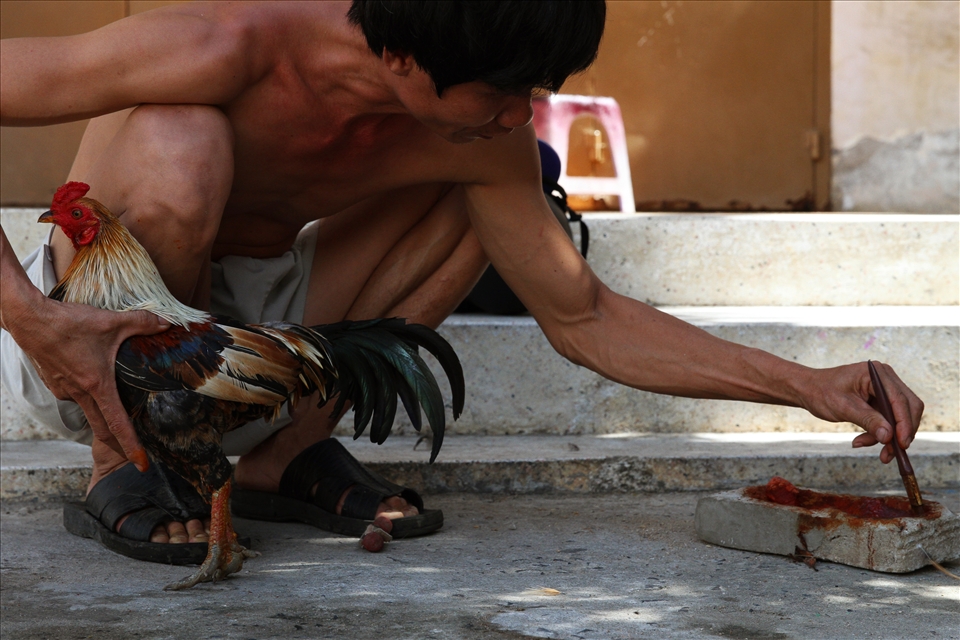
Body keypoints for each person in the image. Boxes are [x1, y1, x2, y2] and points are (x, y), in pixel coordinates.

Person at [0, 1, 923, 556]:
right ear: (400, 57)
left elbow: (584, 311)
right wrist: (27, 315)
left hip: (259, 330)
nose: (521, 112)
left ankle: (285, 455)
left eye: (534, 86)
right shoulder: (222, 42)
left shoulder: (486, 133)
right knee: (177, 140)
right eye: (497, 89)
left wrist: (808, 386)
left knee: (482, 193)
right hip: (89, 340)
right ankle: (122, 465)